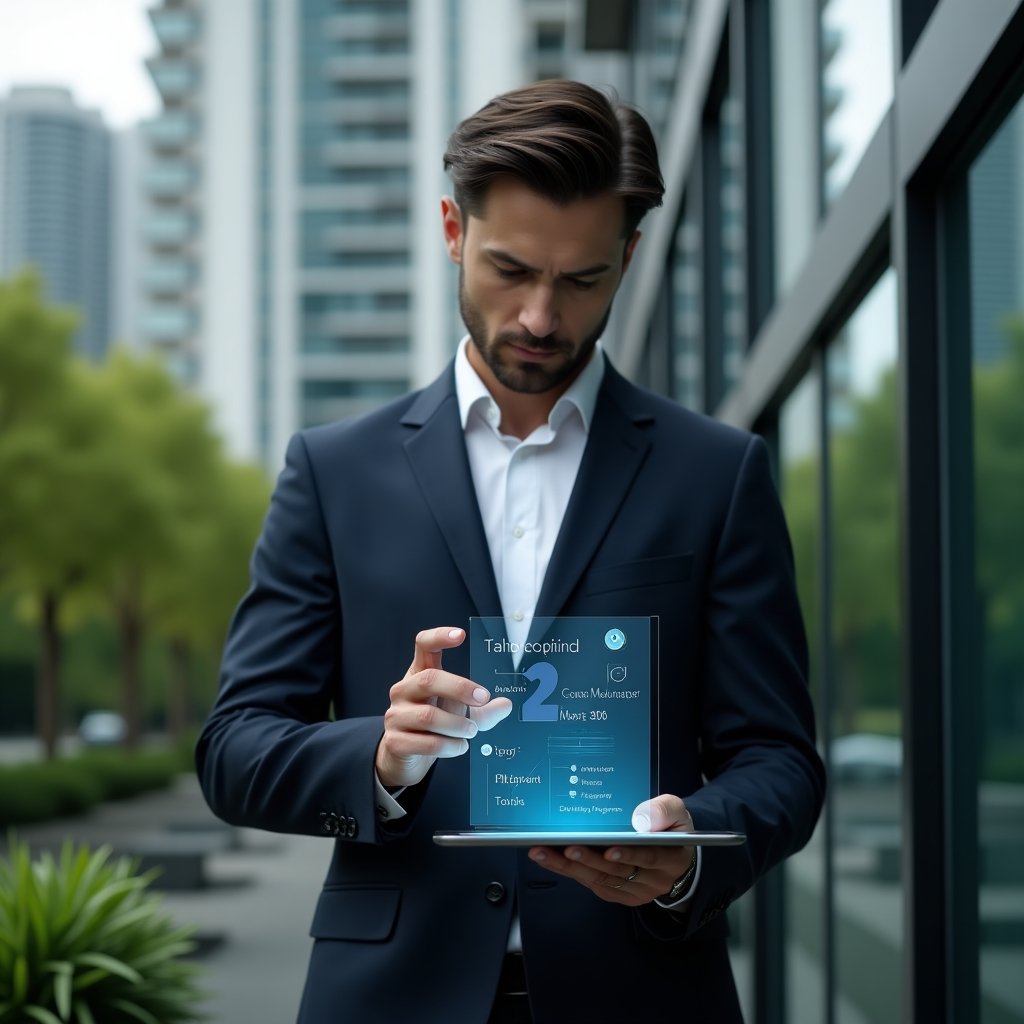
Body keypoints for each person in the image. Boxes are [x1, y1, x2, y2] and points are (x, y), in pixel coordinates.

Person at [196, 79, 825, 1024]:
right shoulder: (334, 471)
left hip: (644, 991)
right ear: (452, 228)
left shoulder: (717, 473)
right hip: (389, 996)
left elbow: (779, 759)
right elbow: (236, 749)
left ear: (630, 256)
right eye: (509, 269)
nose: (539, 317)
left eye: (582, 281)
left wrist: (691, 849)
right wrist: (381, 754)